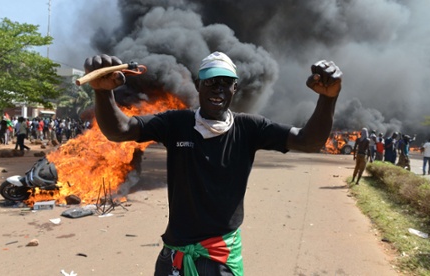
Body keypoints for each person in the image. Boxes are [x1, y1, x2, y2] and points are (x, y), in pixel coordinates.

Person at [84, 52, 342, 276]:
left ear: (235, 88)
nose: (218, 89)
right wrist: (103, 92)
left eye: (226, 83)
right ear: (198, 85)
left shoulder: (250, 128)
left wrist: (328, 99)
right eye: (211, 82)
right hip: (175, 254)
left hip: (220, 258)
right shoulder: (177, 124)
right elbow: (121, 129)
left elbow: (308, 141)